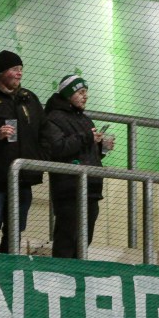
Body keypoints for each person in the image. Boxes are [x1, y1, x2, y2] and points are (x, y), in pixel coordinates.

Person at [0, 50, 45, 253]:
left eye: (21, 69)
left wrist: (40, 159)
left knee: (15, 228)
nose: (20, 73)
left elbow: (44, 131)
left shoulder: (29, 98)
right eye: (14, 69)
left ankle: (9, 268)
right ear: (0, 72)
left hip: (23, 177)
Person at [42, 74, 113, 259]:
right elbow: (58, 148)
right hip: (69, 190)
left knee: (83, 242)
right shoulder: (53, 118)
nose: (85, 96)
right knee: (66, 241)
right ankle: (60, 275)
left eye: (86, 92)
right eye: (81, 92)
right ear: (68, 94)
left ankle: (76, 276)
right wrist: (87, 138)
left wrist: (101, 148)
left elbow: (87, 153)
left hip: (91, 188)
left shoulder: (86, 120)